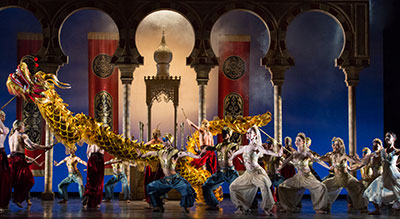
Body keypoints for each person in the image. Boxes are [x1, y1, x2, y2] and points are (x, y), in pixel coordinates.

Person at [137, 133, 199, 213]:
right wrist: (141, 155)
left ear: (170, 141)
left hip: (175, 179)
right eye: (163, 140)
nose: (164, 142)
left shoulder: (175, 152)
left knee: (187, 189)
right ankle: (158, 205)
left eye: (166, 140)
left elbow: (187, 153)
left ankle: (185, 206)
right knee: (150, 187)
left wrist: (198, 155)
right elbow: (150, 153)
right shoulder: (161, 152)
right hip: (166, 180)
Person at [228, 125, 281, 215]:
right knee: (233, 187)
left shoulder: (257, 147)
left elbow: (266, 152)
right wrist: (231, 156)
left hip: (256, 172)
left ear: (255, 135)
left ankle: (267, 208)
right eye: (247, 132)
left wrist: (277, 154)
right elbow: (234, 154)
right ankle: (242, 207)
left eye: (250, 132)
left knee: (264, 185)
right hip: (248, 174)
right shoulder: (244, 147)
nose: (247, 134)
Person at [277, 132, 329, 214]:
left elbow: (318, 161)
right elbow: (285, 163)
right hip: (298, 177)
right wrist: (278, 168)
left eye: (299, 140)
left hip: (308, 177)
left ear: (303, 142)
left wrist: (328, 167)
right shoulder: (294, 154)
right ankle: (288, 207)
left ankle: (319, 208)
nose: (296, 142)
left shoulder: (307, 153)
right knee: (282, 187)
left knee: (321, 187)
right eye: (296, 140)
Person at [8, 120, 53, 208]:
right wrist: (45, 147)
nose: (24, 128)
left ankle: (14, 199)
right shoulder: (23, 135)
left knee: (13, 181)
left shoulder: (11, 137)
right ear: (20, 127)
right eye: (24, 126)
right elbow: (32, 145)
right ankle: (17, 198)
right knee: (30, 181)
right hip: (19, 160)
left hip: (12, 160)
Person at [321, 137, 368, 213]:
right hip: (337, 179)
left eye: (337, 145)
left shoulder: (344, 156)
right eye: (334, 144)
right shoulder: (331, 156)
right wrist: (312, 156)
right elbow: (321, 159)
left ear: (341, 146)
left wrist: (357, 160)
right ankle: (326, 206)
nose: (335, 146)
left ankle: (362, 207)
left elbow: (352, 160)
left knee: (360, 187)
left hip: (346, 179)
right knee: (322, 186)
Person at [202, 127, 239, 210]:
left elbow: (241, 148)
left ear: (229, 135)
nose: (223, 135)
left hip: (230, 173)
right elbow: (209, 148)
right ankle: (213, 204)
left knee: (242, 187)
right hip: (220, 173)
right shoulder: (219, 145)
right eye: (222, 133)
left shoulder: (233, 145)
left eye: (225, 133)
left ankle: (249, 204)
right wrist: (202, 149)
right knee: (206, 187)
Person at [363, 132, 400, 215]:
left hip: (393, 175)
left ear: (394, 139)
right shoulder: (382, 151)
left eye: (389, 136)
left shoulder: (397, 151)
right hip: (385, 175)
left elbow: (394, 163)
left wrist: (396, 166)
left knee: (397, 190)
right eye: (386, 136)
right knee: (371, 190)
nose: (387, 138)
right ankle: (377, 210)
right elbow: (376, 159)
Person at [143, 128, 164, 208]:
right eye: (154, 134)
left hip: (158, 166)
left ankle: (157, 201)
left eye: (156, 134)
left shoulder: (161, 143)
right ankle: (150, 201)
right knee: (149, 182)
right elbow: (144, 147)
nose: (155, 136)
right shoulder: (151, 143)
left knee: (157, 182)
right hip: (151, 166)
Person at [82, 143, 104, 208]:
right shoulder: (102, 139)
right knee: (99, 181)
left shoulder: (90, 141)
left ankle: (88, 195)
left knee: (90, 179)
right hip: (99, 159)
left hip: (92, 159)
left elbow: (87, 153)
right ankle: (96, 201)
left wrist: (91, 158)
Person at [0, 111, 11, 212]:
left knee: (3, 179)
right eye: (3, 116)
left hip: (1, 153)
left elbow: (4, 131)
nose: (4, 117)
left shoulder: (5, 128)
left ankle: (2, 203)